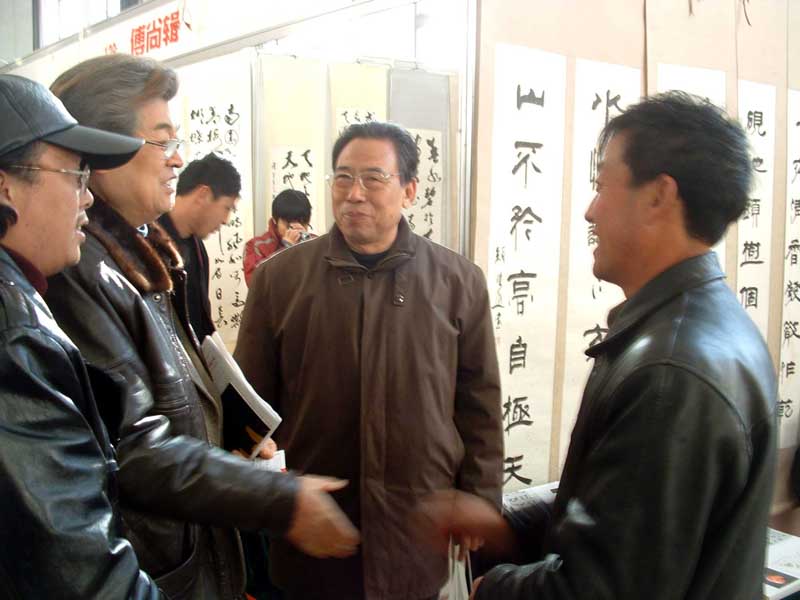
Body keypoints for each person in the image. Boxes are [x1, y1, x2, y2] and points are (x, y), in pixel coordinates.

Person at [419, 91, 777, 600]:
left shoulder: (669, 373)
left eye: (601, 186)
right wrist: (507, 525)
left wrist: (490, 590)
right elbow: (623, 515)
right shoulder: (704, 327)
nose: (590, 211)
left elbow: (605, 588)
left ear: (658, 196)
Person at [46, 54, 359, 600]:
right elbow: (134, 448)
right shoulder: (78, 270)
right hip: (151, 564)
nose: (177, 159)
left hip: (186, 545)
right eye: (162, 141)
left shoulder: (138, 257)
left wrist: (232, 438)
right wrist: (275, 499)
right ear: (102, 149)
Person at [235, 121, 503, 599]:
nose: (354, 193)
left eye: (373, 178)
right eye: (343, 177)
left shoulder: (458, 281)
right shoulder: (279, 280)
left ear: (409, 190)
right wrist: (266, 498)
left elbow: (478, 401)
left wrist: (480, 497)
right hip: (317, 529)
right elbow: (246, 410)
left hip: (416, 527)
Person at [0, 74, 161, 597]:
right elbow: (83, 575)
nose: (87, 198)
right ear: (5, 187)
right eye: (75, 175)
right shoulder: (16, 336)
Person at [158, 152, 240, 342]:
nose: (226, 220)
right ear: (203, 194)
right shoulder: (151, 241)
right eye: (227, 207)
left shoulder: (197, 248)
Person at [243, 188, 314, 286]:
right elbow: (256, 285)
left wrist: (309, 248)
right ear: (275, 220)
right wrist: (286, 251)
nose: (296, 229)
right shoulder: (256, 246)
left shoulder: (316, 242)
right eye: (289, 225)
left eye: (302, 222)